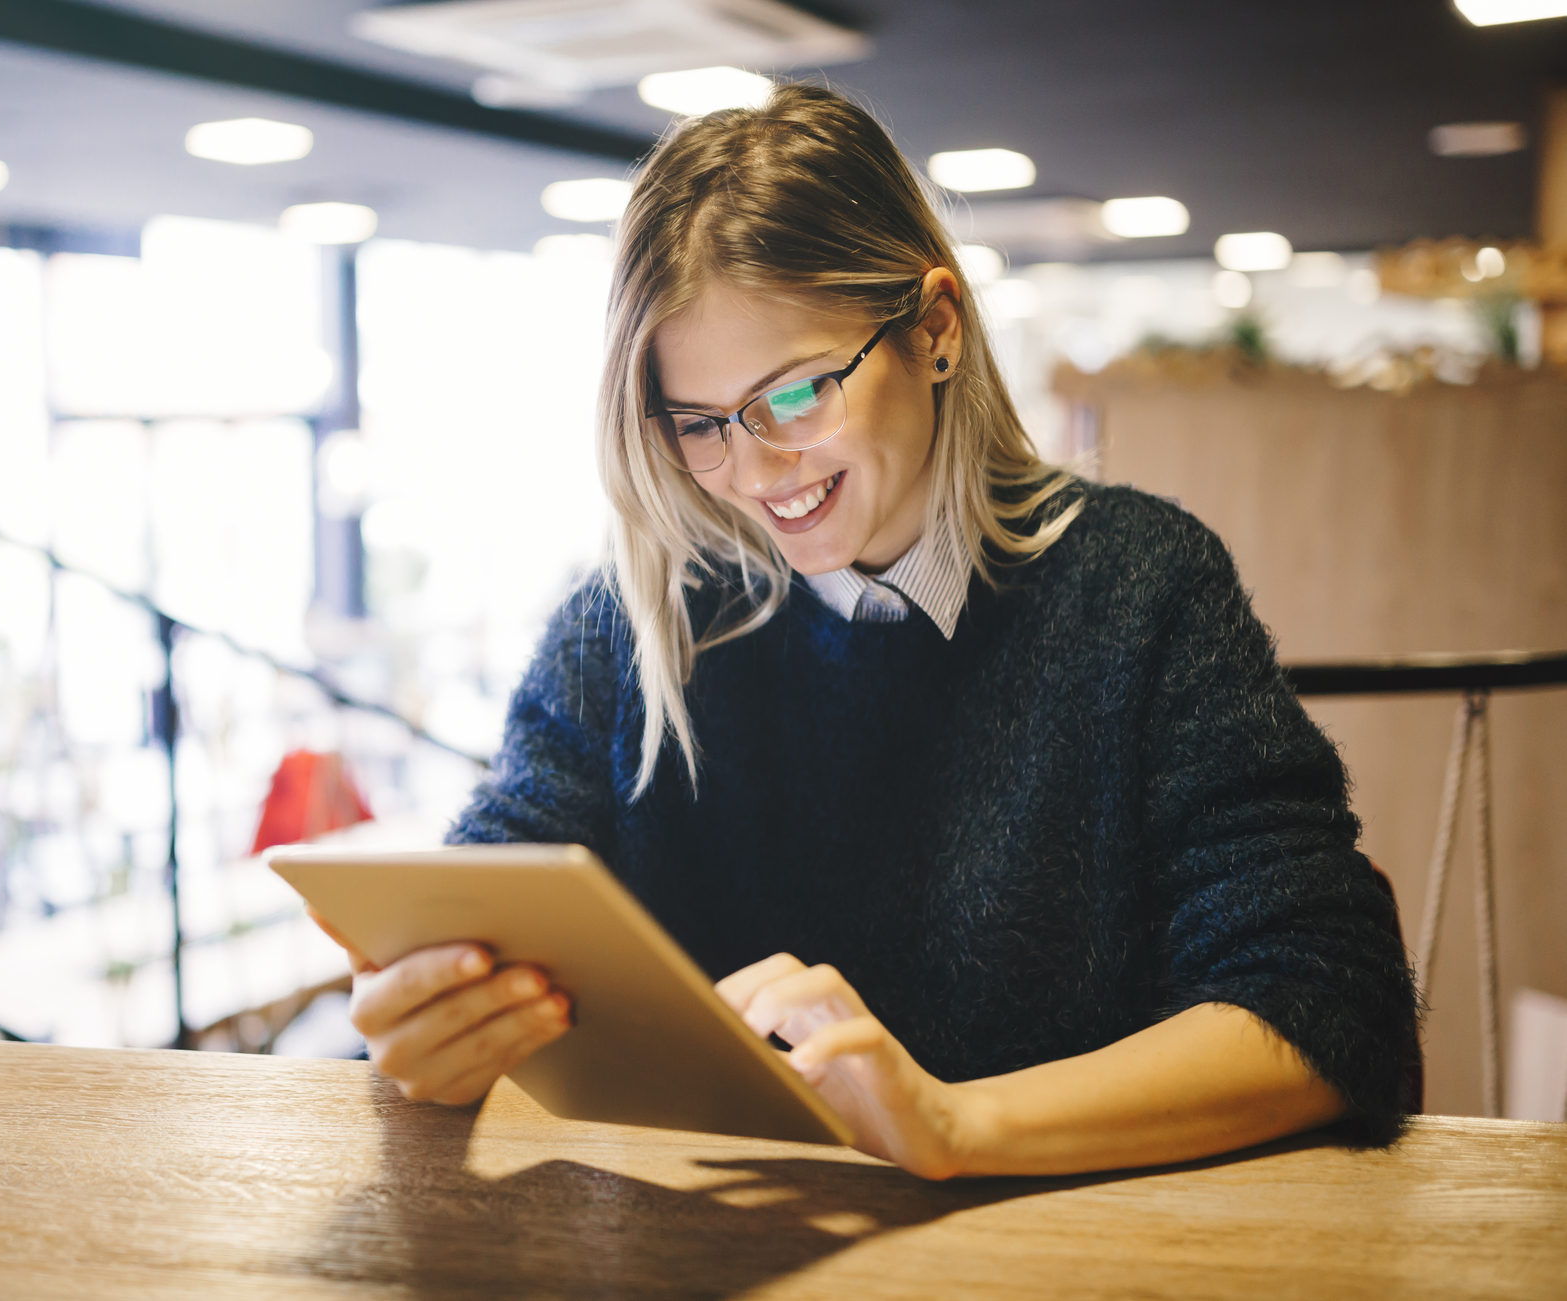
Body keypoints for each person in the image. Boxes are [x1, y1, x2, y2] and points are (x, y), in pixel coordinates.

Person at [323, 85, 1419, 1180]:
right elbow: (487, 901)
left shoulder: (1139, 587)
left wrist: (951, 1125)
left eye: (792, 397)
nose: (753, 475)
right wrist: (430, 1014)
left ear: (934, 331)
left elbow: (1327, 1001)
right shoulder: (629, 623)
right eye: (698, 424)